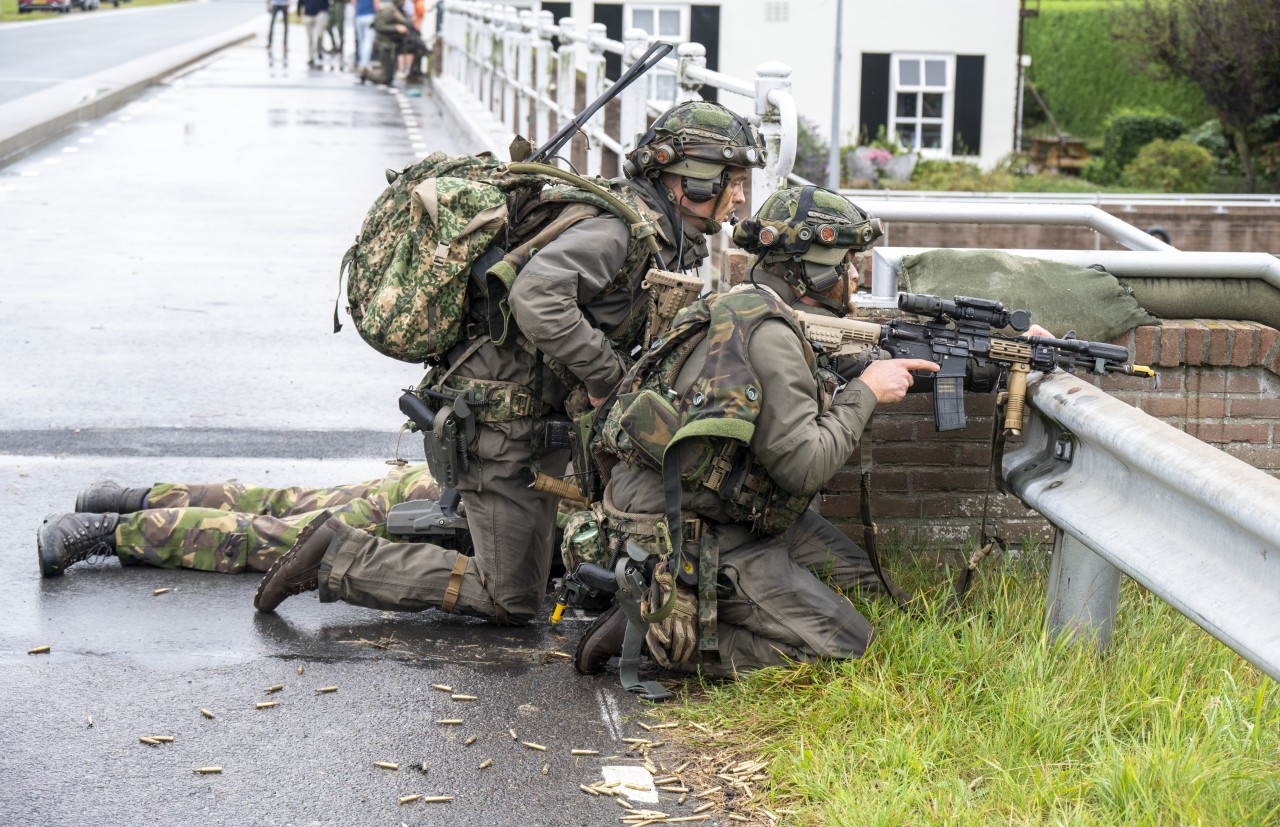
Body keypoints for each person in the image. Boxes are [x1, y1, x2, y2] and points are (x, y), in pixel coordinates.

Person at [252, 101, 767, 626]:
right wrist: (606, 377)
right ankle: (338, 555)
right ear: (690, 181)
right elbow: (537, 298)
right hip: (500, 424)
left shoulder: (659, 232)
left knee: (546, 566)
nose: (742, 197)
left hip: (528, 421)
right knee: (511, 597)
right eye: (734, 180)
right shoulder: (619, 233)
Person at [571, 185, 940, 680]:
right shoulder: (769, 335)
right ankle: (658, 631)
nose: (855, 275)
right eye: (847, 262)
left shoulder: (748, 306)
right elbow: (804, 467)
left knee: (872, 594)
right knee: (851, 649)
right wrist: (867, 392)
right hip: (690, 534)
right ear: (812, 270)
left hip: (723, 507)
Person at [35, 466, 442, 577]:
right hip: (443, 509)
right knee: (275, 538)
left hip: (440, 482)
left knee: (283, 504)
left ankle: (126, 500)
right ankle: (107, 530)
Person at [370, 0, 426, 84]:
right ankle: (366, 72)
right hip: (385, 45)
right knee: (386, 78)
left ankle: (413, 75)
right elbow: (378, 26)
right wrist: (395, 27)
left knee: (417, 47)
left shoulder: (400, 11)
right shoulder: (388, 11)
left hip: (396, 44)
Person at [298, 0, 330, 69]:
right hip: (308, 14)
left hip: (320, 13)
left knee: (320, 35)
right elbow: (300, 2)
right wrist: (298, 13)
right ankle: (311, 57)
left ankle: (319, 50)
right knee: (310, 38)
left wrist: (326, 11)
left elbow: (327, 3)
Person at [353, 0, 376, 74]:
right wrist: (377, 13)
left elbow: (353, 2)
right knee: (368, 41)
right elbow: (376, 2)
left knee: (361, 41)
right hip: (370, 16)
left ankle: (362, 61)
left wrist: (357, 11)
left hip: (359, 16)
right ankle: (365, 63)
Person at [325, 0, 347, 66]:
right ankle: (334, 45)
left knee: (340, 29)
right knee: (328, 27)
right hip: (332, 9)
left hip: (340, 8)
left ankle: (341, 47)